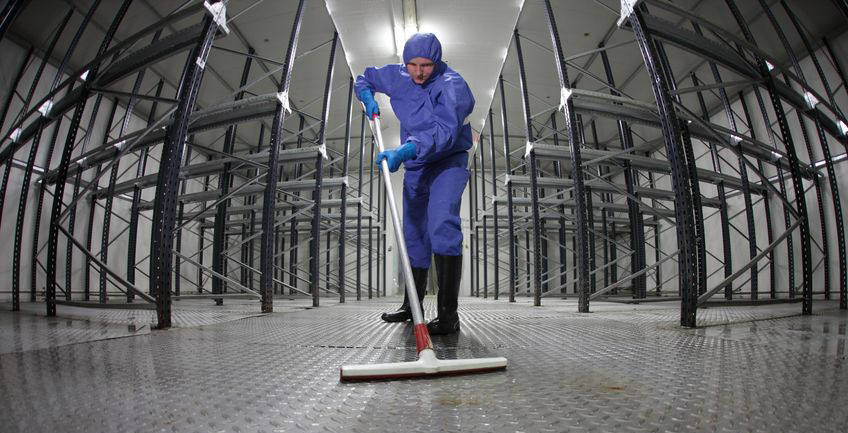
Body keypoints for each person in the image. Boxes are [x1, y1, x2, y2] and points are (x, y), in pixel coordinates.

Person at [354, 33, 474, 335]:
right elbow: (365, 77)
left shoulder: (453, 86)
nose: (419, 72)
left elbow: (444, 131)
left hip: (447, 160)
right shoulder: (399, 76)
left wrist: (405, 149)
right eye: (412, 64)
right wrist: (366, 95)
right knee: (413, 232)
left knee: (441, 224)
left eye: (426, 65)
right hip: (417, 165)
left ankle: (449, 317)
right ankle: (412, 307)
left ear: (437, 61)